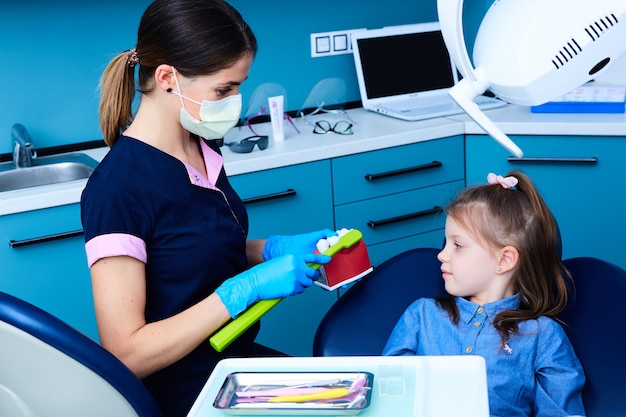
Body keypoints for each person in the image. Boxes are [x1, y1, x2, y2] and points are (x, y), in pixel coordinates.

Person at [80, 1, 334, 416]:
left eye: (238, 85)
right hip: (182, 387)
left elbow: (190, 248)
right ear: (167, 78)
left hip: (234, 361)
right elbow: (127, 355)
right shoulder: (117, 190)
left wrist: (269, 250)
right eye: (224, 89)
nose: (235, 100)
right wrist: (242, 290)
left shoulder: (201, 147)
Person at [383, 170, 586, 417]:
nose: (441, 255)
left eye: (457, 245)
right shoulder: (421, 316)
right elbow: (387, 398)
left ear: (505, 259)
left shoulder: (543, 336)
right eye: (445, 242)